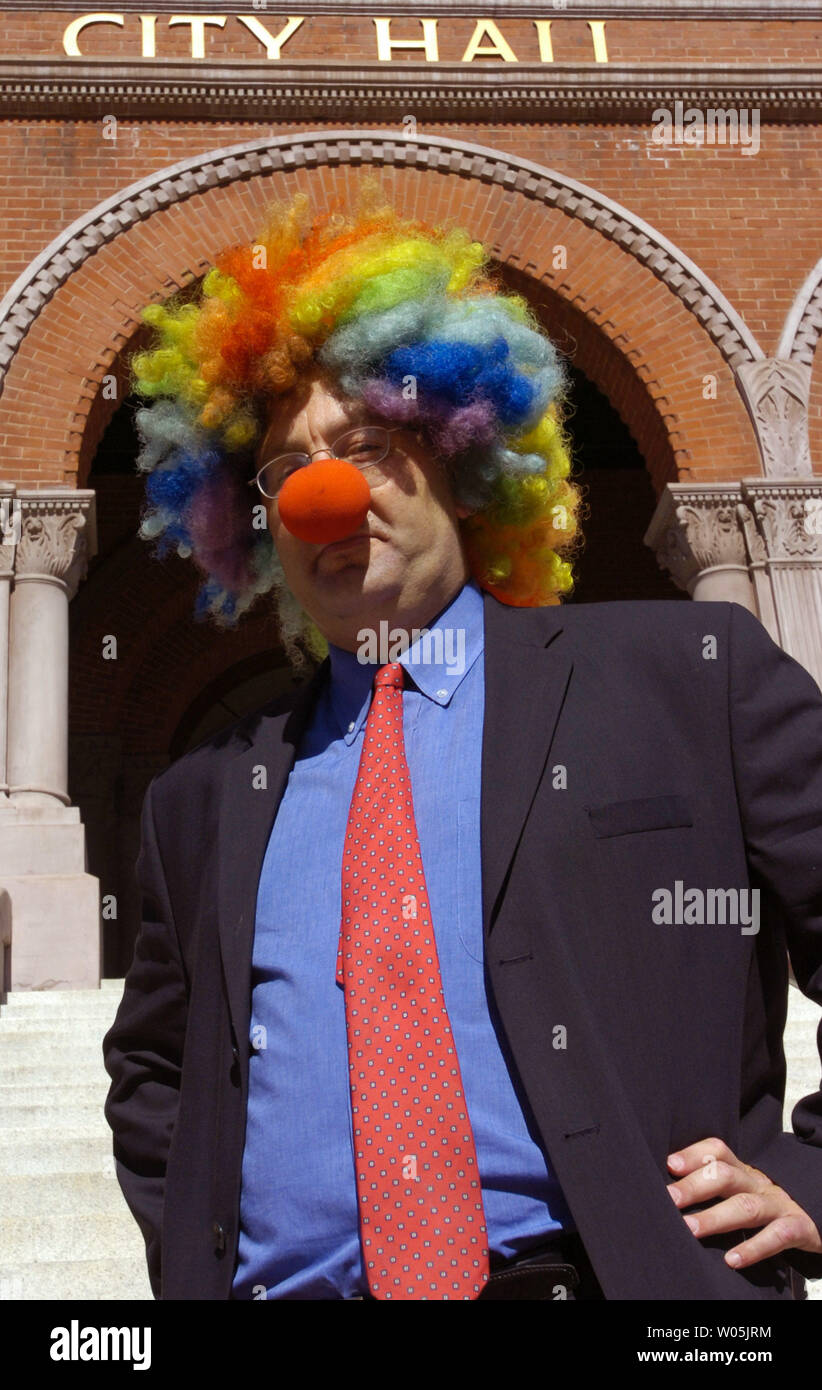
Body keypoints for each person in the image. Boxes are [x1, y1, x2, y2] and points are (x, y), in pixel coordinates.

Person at [103, 180, 822, 1300]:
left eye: (369, 442)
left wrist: (815, 1177)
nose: (322, 496)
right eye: (285, 472)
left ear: (461, 447)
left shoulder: (691, 680)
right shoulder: (201, 794)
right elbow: (154, 1070)